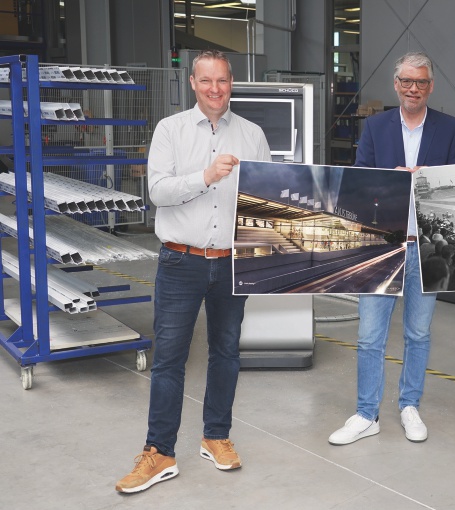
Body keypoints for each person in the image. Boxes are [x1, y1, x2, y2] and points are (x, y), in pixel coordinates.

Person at [116, 50, 271, 494]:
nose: (215, 89)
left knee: (226, 353)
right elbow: (158, 192)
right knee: (169, 360)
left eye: (222, 81)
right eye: (206, 81)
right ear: (192, 83)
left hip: (231, 263)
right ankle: (159, 452)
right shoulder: (171, 130)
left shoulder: (253, 134)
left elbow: (267, 198)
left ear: (232, 82)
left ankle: (216, 436)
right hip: (180, 261)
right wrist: (205, 176)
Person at [329, 51, 455, 445]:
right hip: (381, 245)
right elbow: (356, 183)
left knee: (418, 334)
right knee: (370, 336)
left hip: (425, 249)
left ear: (430, 86)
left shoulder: (449, 129)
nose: (413, 89)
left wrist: (430, 181)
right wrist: (387, 181)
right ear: (396, 84)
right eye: (407, 81)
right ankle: (365, 414)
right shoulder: (375, 127)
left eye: (421, 82)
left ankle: (410, 406)